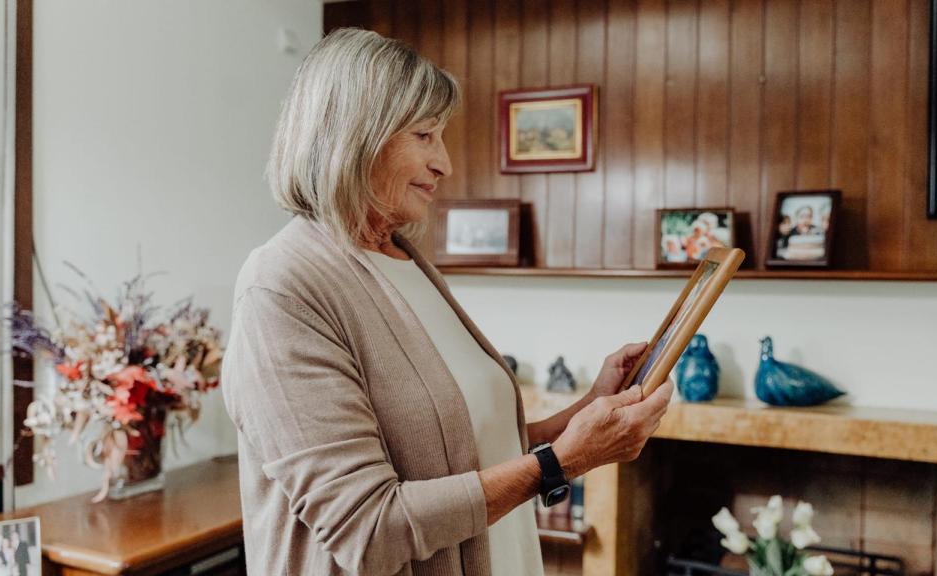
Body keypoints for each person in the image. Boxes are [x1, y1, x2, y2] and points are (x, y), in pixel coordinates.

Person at [221, 28, 672, 576]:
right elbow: (368, 527)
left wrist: (586, 412)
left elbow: (462, 449)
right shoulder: (283, 286)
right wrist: (565, 461)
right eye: (425, 135)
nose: (445, 164)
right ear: (354, 137)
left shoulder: (405, 260)